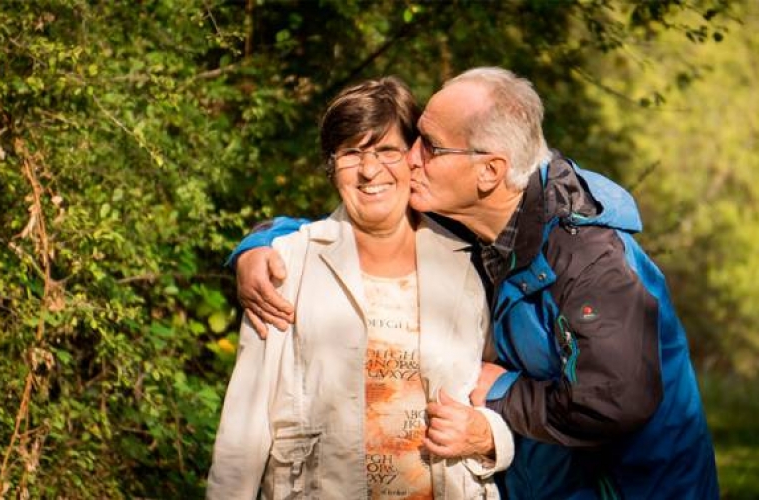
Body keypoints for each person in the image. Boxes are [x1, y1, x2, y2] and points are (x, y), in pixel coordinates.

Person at [232, 67, 719, 499]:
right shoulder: (481, 220)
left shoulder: (589, 259)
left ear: (489, 170)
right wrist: (258, 245)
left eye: (430, 146)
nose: (409, 158)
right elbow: (351, 224)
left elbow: (615, 400)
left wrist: (503, 390)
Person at [206, 76, 514, 500]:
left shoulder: (472, 264)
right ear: (332, 165)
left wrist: (492, 435)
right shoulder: (287, 263)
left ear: (416, 156)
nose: (370, 171)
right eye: (351, 153)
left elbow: (508, 394)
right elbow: (243, 431)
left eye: (387, 150)